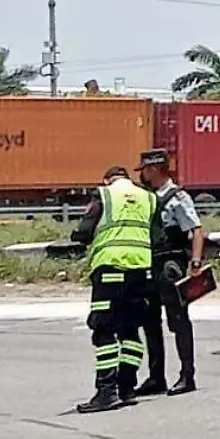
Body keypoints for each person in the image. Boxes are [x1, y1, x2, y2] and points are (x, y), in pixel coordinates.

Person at [70, 166, 160, 413]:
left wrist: (78, 237)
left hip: (110, 267)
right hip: (141, 269)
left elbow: (84, 231)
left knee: (104, 330)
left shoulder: (104, 194)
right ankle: (127, 388)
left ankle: (106, 392)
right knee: (131, 329)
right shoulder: (148, 197)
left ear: (106, 179)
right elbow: (156, 234)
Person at [137, 148, 205, 396]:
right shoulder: (146, 198)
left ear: (153, 169)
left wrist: (195, 262)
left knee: (178, 320)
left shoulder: (178, 197)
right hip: (148, 265)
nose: (142, 174)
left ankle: (187, 375)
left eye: (144, 169)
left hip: (170, 266)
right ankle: (156, 377)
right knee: (150, 322)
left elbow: (196, 229)